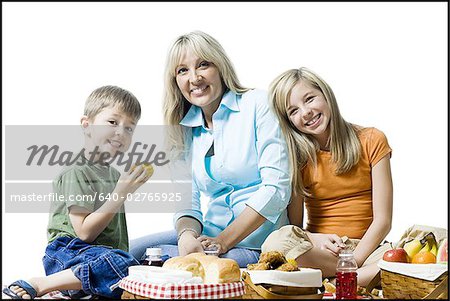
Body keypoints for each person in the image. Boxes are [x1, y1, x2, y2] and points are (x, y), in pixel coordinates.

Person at [129, 31, 291, 267]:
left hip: (257, 244)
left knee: (164, 261)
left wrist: (223, 241)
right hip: (209, 235)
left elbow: (276, 190)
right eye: (182, 70)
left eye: (203, 65)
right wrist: (186, 236)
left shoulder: (258, 104)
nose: (194, 78)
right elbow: (187, 201)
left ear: (220, 67)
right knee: (130, 252)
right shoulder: (183, 128)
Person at [3, 86, 152, 299]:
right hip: (67, 253)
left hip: (99, 257)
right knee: (123, 265)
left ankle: (87, 286)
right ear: (87, 125)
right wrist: (121, 192)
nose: (121, 132)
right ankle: (41, 284)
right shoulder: (77, 170)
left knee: (149, 266)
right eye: (112, 122)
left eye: (130, 128)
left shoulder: (113, 174)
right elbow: (84, 233)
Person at [262, 67, 393, 286]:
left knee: (429, 243)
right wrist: (315, 238)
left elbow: (383, 220)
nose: (305, 112)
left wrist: (355, 260)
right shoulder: (298, 158)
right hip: (324, 250)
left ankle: (334, 281)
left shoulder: (372, 139)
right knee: (276, 241)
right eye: (293, 111)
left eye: (309, 99)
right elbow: (294, 227)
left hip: (369, 249)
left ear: (326, 94)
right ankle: (354, 280)